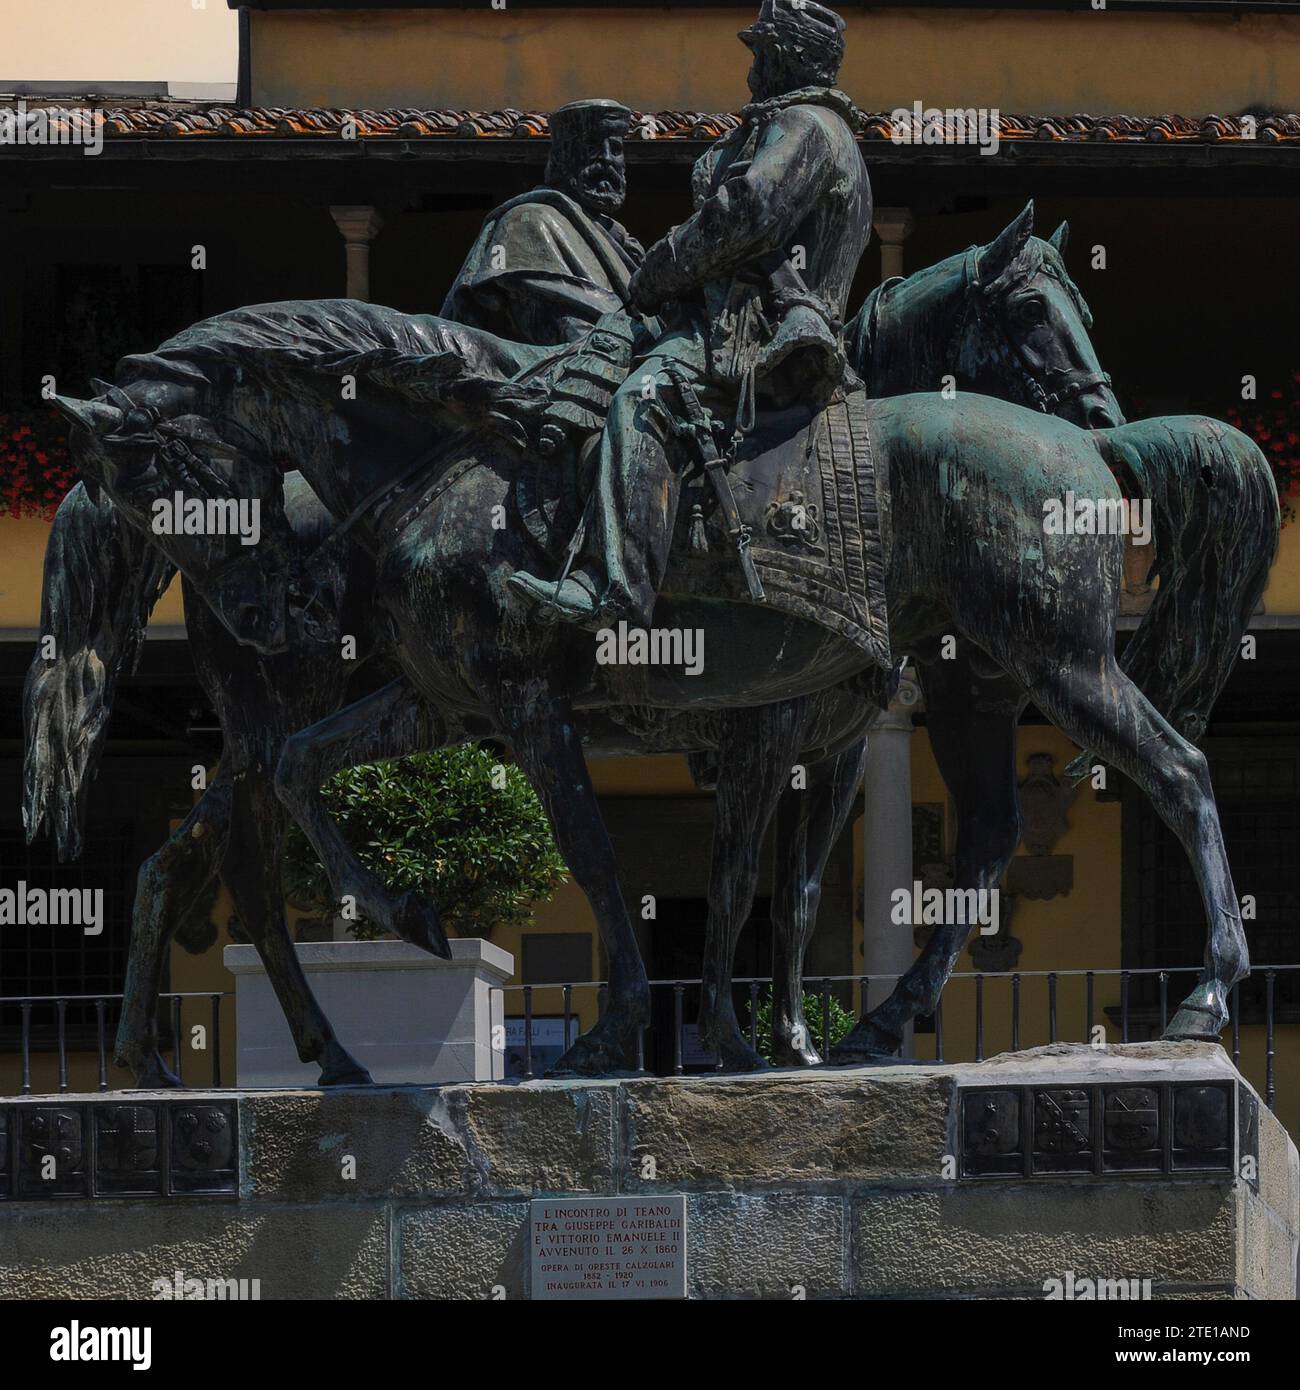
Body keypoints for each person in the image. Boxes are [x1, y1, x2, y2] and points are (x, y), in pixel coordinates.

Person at [508, 0, 871, 628]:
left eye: (760, 53)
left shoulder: (805, 127)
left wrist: (659, 269)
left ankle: (617, 587)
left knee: (640, 401)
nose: (752, 68)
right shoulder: (816, 127)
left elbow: (743, 213)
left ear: (785, 57)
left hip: (756, 339)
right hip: (755, 328)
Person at [441, 98, 643, 346]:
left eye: (616, 149)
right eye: (592, 148)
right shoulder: (529, 221)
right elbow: (564, 329)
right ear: (562, 157)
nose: (607, 159)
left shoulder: (620, 240)